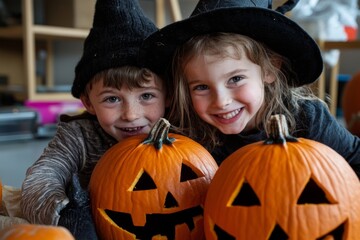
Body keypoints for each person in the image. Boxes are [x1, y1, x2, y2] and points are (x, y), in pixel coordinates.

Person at [139, 0, 360, 178]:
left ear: (270, 69)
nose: (221, 101)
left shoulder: (308, 120)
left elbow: (356, 159)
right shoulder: (191, 135)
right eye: (202, 87)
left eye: (235, 79)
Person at [19, 0, 168, 229]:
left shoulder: (180, 130)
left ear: (168, 96)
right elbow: (41, 180)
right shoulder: (78, 137)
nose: (131, 114)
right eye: (112, 99)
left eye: (147, 96)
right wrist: (68, 216)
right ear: (88, 102)